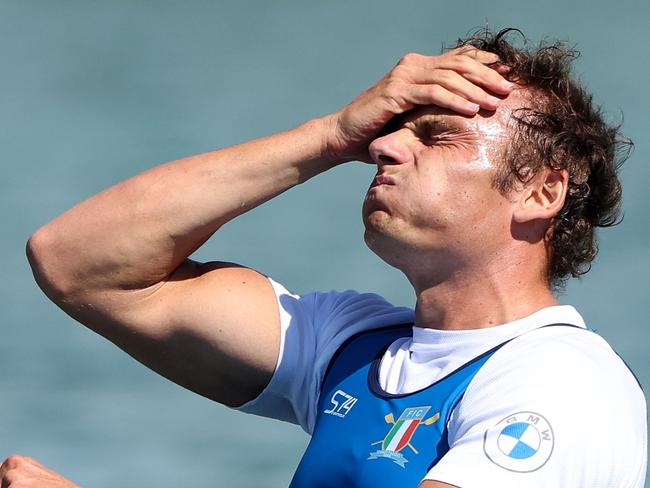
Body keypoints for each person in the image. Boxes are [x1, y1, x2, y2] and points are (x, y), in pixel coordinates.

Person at [6, 28, 646, 487]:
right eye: (393, 130)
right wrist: (332, 135)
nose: (388, 147)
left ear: (542, 190)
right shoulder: (353, 347)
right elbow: (77, 262)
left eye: (437, 136)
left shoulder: (562, 385)